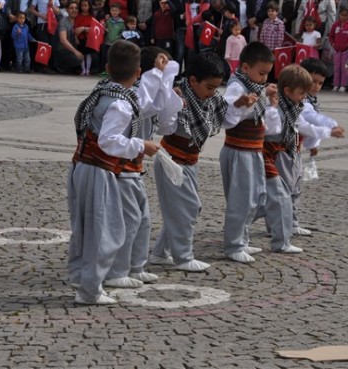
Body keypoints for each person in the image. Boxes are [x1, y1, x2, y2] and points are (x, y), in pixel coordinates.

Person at [68, 40, 167, 304]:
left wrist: (157, 74)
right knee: (105, 231)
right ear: (137, 74)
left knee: (86, 228)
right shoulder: (121, 104)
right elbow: (108, 141)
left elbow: (143, 102)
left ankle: (80, 275)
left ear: (108, 68)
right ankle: (89, 290)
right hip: (99, 169)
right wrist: (140, 145)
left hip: (83, 165)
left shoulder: (103, 89)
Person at [150, 52, 244, 272]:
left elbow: (226, 118)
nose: (213, 92)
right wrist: (172, 101)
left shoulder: (210, 98)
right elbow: (164, 125)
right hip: (171, 160)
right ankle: (183, 257)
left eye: (216, 87)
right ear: (193, 80)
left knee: (183, 208)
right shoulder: (177, 95)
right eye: (210, 87)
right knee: (188, 208)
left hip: (189, 160)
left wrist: (239, 104)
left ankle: (159, 253)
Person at [104, 46, 183, 286]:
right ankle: (117, 271)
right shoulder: (131, 94)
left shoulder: (147, 92)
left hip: (135, 168)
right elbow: (146, 103)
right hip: (121, 166)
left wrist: (165, 80)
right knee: (128, 220)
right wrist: (158, 75)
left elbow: (165, 119)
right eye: (161, 64)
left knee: (143, 219)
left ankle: (136, 266)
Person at [220, 41, 277, 264]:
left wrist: (267, 100)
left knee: (255, 197)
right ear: (245, 67)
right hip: (238, 150)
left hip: (254, 150)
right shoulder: (237, 87)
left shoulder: (254, 86)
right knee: (240, 200)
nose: (264, 78)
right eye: (261, 73)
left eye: (267, 74)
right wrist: (259, 96)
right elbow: (228, 116)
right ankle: (233, 244)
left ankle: (242, 239)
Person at [255, 64, 315, 253]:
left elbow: (301, 127)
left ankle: (278, 233)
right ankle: (279, 240)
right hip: (275, 155)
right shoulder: (278, 107)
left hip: (289, 153)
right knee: (279, 198)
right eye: (301, 92)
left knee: (284, 195)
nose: (304, 96)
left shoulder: (293, 107)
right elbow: (272, 131)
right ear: (288, 91)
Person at [297, 57, 345, 235]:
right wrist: (331, 126)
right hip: (280, 150)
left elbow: (311, 124)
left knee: (294, 189)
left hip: (294, 149)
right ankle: (279, 224)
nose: (316, 86)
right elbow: (311, 120)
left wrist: (312, 144)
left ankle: (290, 223)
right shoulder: (298, 99)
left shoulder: (310, 100)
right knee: (282, 191)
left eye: (320, 83)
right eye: (313, 81)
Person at [328, 6, 348, 92]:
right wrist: (333, 44)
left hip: (346, 50)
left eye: (345, 15)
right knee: (336, 67)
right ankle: (336, 84)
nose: (343, 17)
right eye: (342, 15)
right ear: (339, 15)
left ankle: (344, 85)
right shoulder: (335, 24)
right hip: (336, 50)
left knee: (344, 68)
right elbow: (331, 36)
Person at [29, 0, 60, 73]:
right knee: (44, 44)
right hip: (42, 22)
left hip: (52, 23)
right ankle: (43, 66)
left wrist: (52, 6)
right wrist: (41, 16)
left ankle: (51, 65)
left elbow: (58, 11)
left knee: (52, 44)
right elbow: (31, 9)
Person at [55, 0, 83, 74]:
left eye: (76, 8)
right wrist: (76, 52)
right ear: (67, 10)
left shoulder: (79, 20)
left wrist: (84, 28)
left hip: (73, 48)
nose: (74, 10)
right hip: (63, 50)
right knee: (76, 60)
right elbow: (63, 40)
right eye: (71, 8)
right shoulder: (63, 22)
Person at [74, 0, 95, 75]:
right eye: (82, 6)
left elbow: (94, 28)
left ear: (89, 6)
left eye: (86, 5)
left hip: (89, 38)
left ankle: (88, 70)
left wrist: (85, 28)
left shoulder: (92, 16)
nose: (84, 7)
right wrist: (76, 38)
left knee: (88, 54)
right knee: (81, 54)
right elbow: (75, 28)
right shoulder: (78, 16)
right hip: (80, 38)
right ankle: (83, 70)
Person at [102, 3, 125, 69]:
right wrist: (104, 28)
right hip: (107, 42)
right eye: (113, 10)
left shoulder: (121, 22)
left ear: (119, 12)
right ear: (110, 11)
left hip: (116, 43)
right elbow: (105, 29)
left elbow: (123, 32)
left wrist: (118, 38)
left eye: (116, 10)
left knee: (114, 57)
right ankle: (106, 71)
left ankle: (114, 70)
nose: (114, 12)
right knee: (106, 57)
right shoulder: (108, 21)